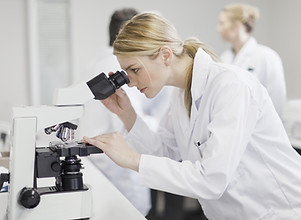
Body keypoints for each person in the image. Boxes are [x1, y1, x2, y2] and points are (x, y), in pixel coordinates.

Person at [82, 12, 301, 219]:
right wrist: (127, 114)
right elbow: (165, 152)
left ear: (166, 55)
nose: (129, 82)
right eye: (125, 73)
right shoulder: (180, 95)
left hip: (279, 212)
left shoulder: (231, 86)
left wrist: (132, 160)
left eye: (134, 70)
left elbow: (211, 179)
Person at [78, 8, 154, 216]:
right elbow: (130, 130)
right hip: (120, 179)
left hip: (97, 170)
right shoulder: (122, 69)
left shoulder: (92, 65)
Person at [217, 3, 287, 117]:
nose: (218, 28)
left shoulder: (267, 56)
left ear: (237, 26)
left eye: (222, 23)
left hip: (260, 130)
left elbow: (277, 101)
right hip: (231, 127)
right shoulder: (224, 58)